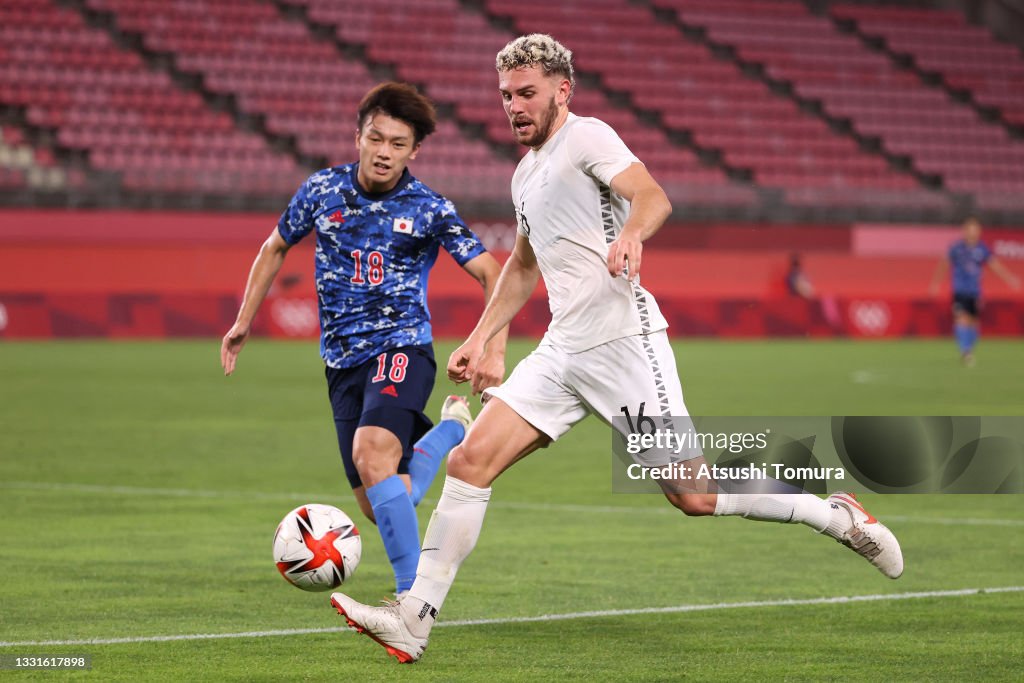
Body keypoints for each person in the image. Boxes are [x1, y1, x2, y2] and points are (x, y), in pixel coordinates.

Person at [329, 35, 903, 664]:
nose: (515, 107)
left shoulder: (588, 137)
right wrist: (480, 337)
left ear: (562, 92)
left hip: (624, 344)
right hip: (561, 350)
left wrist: (631, 232)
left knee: (695, 497)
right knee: (469, 463)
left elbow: (653, 195)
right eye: (506, 96)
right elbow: (522, 269)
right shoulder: (525, 173)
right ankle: (414, 620)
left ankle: (834, 515)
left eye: (527, 94)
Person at [221, 82, 508, 595]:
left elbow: (494, 274)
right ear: (358, 136)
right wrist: (244, 320)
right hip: (340, 363)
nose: (384, 152)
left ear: (414, 151)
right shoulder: (321, 191)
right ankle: (447, 432)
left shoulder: (429, 208)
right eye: (376, 138)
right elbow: (273, 247)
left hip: (402, 348)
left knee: (371, 452)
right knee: (382, 504)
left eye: (398, 144)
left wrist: (494, 345)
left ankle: (411, 601)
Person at [929, 216, 1020, 366]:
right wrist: (936, 283)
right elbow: (944, 264)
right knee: (961, 318)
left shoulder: (982, 248)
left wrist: (1009, 278)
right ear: (964, 231)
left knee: (973, 322)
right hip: (959, 290)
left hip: (975, 292)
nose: (974, 233)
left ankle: (969, 348)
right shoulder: (956, 248)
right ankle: (965, 351)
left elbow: (994, 265)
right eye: (971, 229)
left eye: (976, 230)